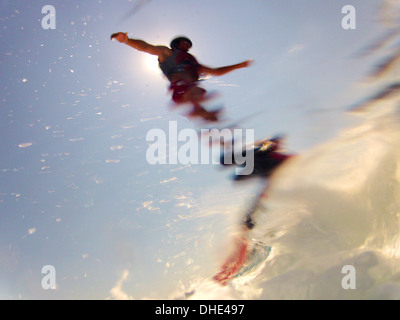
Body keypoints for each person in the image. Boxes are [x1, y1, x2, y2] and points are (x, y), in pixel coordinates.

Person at [111, 33, 252, 121]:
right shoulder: (166, 52)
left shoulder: (193, 62)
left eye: (189, 44)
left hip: (189, 86)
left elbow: (216, 71)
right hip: (178, 83)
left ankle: (203, 113)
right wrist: (127, 40)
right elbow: (146, 47)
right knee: (190, 87)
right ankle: (200, 110)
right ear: (176, 44)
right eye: (184, 42)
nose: (187, 45)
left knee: (195, 87)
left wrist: (239, 65)